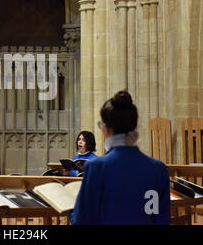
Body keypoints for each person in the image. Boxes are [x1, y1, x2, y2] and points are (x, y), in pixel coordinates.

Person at [71, 90, 170, 225]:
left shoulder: (97, 167)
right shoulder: (158, 169)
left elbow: (81, 220)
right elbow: (161, 220)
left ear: (106, 128)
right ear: (135, 126)